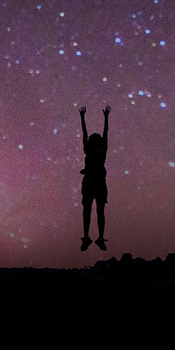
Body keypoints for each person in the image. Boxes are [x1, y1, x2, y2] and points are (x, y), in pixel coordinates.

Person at [79, 104, 109, 252]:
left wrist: (83, 117)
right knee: (96, 211)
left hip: (94, 183)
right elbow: (104, 134)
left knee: (90, 211)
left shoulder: (93, 151)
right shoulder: (99, 151)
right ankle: (93, 238)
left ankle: (92, 237)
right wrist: (105, 118)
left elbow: (88, 134)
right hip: (95, 183)